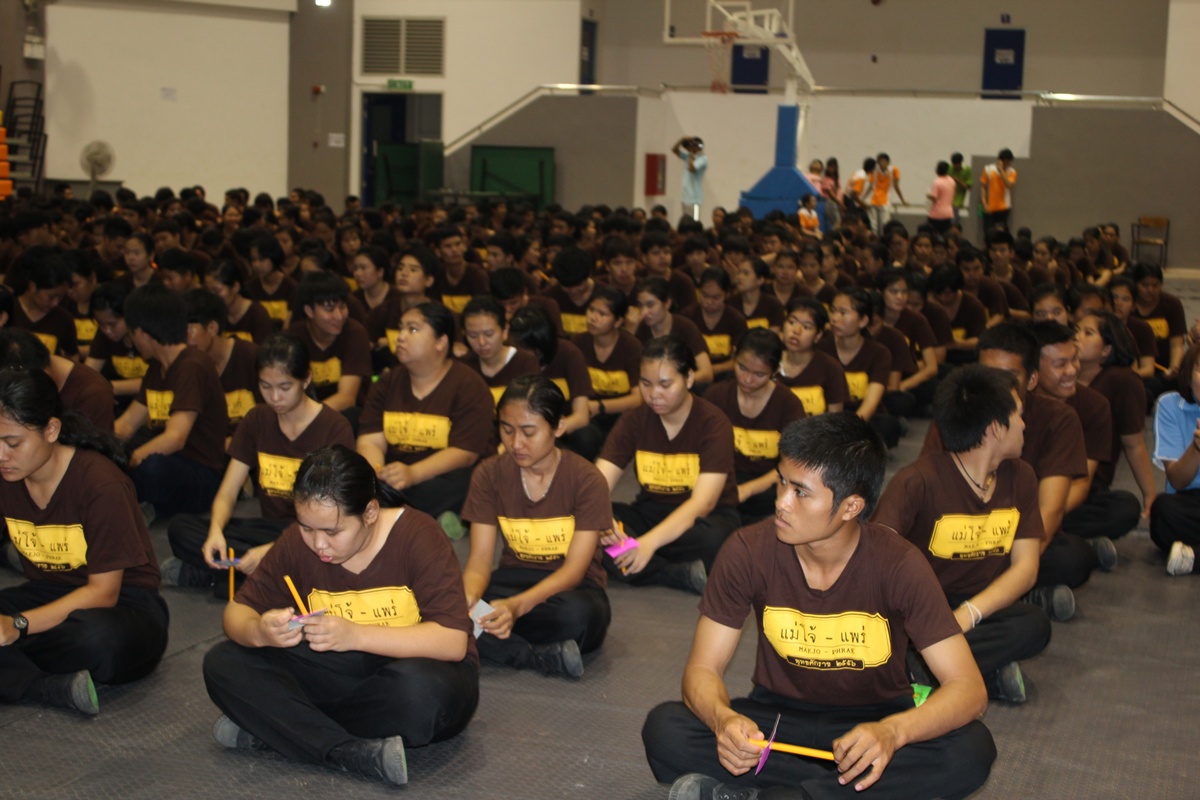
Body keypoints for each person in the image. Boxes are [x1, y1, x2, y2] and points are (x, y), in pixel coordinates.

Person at [643, 413, 995, 800]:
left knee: (971, 749)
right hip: (779, 722)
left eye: (800, 492)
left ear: (851, 506)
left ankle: (779, 794)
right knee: (666, 728)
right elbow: (702, 669)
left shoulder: (900, 565)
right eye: (781, 482)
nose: (781, 502)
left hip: (872, 723)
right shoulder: (746, 551)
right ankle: (831, 793)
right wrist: (723, 720)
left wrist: (894, 732)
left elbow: (968, 688)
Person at [202, 445, 479, 786]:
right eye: (307, 528)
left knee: (422, 694)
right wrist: (259, 631)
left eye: (332, 532)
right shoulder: (296, 543)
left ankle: (285, 727)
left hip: (413, 672)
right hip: (343, 673)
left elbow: (452, 641)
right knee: (223, 662)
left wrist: (354, 634)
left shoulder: (419, 535)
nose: (318, 544)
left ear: (370, 512)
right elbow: (236, 612)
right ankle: (344, 750)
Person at [876, 365, 1052, 704]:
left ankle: (924, 671)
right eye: (1018, 415)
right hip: (919, 609)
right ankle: (966, 672)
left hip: (978, 608)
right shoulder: (917, 480)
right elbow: (873, 559)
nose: (1024, 424)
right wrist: (928, 621)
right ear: (996, 428)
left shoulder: (1021, 477)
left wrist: (965, 617)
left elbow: (1026, 568)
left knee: (1033, 625)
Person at [0, 368, 168, 716]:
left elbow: (103, 593)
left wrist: (18, 626)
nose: (1, 455)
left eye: (13, 443)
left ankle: (17, 670)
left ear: (51, 430)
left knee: (100, 642)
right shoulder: (6, 476)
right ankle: (46, 687)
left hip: (122, 607)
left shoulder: (100, 483)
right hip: (48, 593)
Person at [164, 334, 355, 590]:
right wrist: (216, 531)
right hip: (267, 530)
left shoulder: (334, 428)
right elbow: (228, 491)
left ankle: (228, 576)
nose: (274, 397)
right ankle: (261, 576)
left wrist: (272, 550)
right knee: (181, 528)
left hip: (312, 534)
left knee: (328, 551)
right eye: (265, 386)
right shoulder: (257, 419)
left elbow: (336, 515)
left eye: (284, 387)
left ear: (306, 379)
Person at [460, 376, 612, 679]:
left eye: (529, 432)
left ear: (559, 427)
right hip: (512, 580)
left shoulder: (586, 479)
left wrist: (515, 608)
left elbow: (574, 571)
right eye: (507, 430)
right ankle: (534, 656)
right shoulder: (488, 474)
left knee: (581, 616)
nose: (516, 443)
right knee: (442, 607)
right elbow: (479, 561)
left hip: (570, 590)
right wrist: (467, 598)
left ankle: (492, 636)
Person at [595, 335, 741, 594]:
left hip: (702, 521)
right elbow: (595, 485)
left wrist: (649, 543)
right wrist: (602, 518)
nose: (654, 394)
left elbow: (703, 503)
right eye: (646, 383)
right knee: (591, 525)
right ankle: (677, 574)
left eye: (665, 384)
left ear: (689, 379)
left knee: (718, 538)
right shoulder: (634, 420)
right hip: (650, 513)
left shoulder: (714, 423)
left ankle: (640, 559)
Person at [357, 303, 495, 526]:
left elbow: (464, 453)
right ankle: (414, 517)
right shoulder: (387, 382)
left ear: (440, 342)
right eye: (401, 328)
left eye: (412, 329)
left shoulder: (469, 385)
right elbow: (370, 440)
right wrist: (377, 474)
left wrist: (413, 473)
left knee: (471, 481)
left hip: (442, 476)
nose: (401, 337)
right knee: (357, 476)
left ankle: (393, 516)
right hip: (396, 475)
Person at [113, 284, 228, 519]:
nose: (132, 340)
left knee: (151, 467)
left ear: (142, 333)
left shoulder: (192, 365)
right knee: (120, 457)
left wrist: (127, 462)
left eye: (132, 334)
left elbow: (175, 438)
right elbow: (126, 424)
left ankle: (141, 506)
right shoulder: (156, 367)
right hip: (172, 462)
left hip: (200, 473)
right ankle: (143, 505)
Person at [703, 328, 807, 523]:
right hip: (723, 482)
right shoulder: (716, 396)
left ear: (775, 371)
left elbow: (792, 464)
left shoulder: (788, 404)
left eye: (759, 374)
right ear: (734, 355)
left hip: (769, 484)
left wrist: (747, 490)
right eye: (742, 368)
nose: (747, 379)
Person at [1075, 310, 1157, 525]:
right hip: (1048, 475)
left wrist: (1150, 495)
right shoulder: (1058, 374)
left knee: (1124, 507)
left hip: (1089, 484)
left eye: (1088, 333)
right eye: (1076, 330)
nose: (1077, 337)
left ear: (1107, 349)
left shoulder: (1122, 380)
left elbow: (1134, 444)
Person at [1150, 344, 1200, 575]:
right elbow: (1177, 480)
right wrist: (1196, 447)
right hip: (1188, 502)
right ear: (1189, 374)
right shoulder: (1170, 405)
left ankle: (1192, 559)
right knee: (1163, 512)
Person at [459, 295, 541, 405]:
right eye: (473, 335)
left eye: (489, 334)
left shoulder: (525, 363)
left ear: (505, 330)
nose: (482, 342)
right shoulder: (463, 367)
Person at [634, 277, 715, 385]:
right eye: (640, 305)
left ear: (667, 303)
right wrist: (631, 331)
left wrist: (676, 383)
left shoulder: (686, 327)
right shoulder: (639, 329)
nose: (644, 312)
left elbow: (707, 373)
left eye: (650, 305)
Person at [776, 296, 847, 416]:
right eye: (792, 322)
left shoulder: (831, 368)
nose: (796, 331)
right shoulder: (770, 361)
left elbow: (835, 420)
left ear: (818, 335)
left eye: (806, 327)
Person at [979, 148, 1016, 233]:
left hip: (1004, 207)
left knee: (1001, 232)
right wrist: (984, 204)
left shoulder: (1012, 172)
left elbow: (1009, 185)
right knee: (988, 231)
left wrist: (1001, 171)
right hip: (989, 207)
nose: (1008, 163)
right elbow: (983, 187)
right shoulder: (988, 169)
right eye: (1007, 161)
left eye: (1010, 161)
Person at [868, 153, 906, 234]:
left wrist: (902, 200)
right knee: (873, 225)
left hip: (885, 201)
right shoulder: (874, 170)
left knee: (885, 224)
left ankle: (884, 239)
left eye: (883, 161)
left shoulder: (893, 170)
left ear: (888, 162)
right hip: (873, 200)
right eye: (879, 161)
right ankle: (874, 239)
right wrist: (863, 198)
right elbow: (870, 185)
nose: (881, 164)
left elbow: (896, 186)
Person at [672, 136, 708, 221]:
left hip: (695, 198)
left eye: (692, 145)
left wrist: (691, 153)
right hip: (686, 197)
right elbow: (674, 150)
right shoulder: (689, 157)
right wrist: (681, 140)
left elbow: (691, 168)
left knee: (695, 222)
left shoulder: (703, 158)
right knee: (686, 221)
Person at [926, 161, 956, 235]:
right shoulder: (952, 181)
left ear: (937, 170)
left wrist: (928, 195)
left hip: (936, 214)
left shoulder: (937, 182)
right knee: (945, 234)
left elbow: (934, 197)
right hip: (948, 213)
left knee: (933, 234)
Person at [948, 152, 972, 225]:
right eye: (953, 164)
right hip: (948, 196)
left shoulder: (967, 170)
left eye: (956, 164)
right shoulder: (949, 168)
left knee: (954, 216)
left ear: (960, 163)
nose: (954, 166)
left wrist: (957, 180)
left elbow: (967, 186)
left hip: (958, 198)